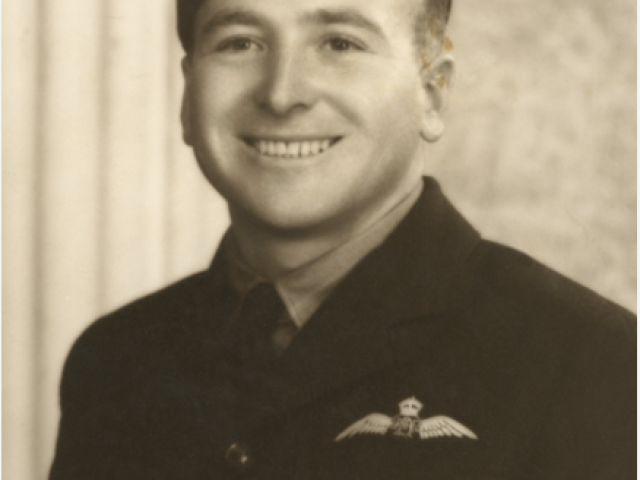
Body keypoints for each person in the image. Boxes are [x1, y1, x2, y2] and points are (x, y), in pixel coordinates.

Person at [49, 0, 635, 478]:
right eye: (239, 42)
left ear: (432, 92)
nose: (282, 94)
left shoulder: (595, 363)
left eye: (340, 42)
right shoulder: (115, 362)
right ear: (187, 95)